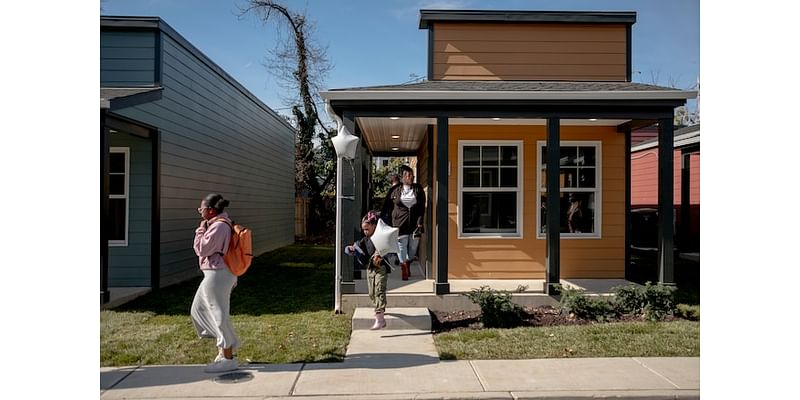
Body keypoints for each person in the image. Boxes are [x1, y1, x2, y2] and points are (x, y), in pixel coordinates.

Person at [191, 193, 240, 373]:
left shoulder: (218, 226)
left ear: (210, 211)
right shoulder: (216, 224)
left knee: (218, 315)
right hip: (214, 274)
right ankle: (226, 347)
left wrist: (200, 230)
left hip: (218, 274)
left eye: (201, 209)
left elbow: (202, 249)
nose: (200, 212)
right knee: (199, 310)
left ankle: (228, 358)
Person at [345, 210, 393, 330]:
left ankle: (380, 317)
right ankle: (379, 309)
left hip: (381, 268)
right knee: (372, 293)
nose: (365, 231)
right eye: (363, 229)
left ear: (374, 226)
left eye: (367, 229)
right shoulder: (365, 240)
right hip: (370, 269)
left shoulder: (381, 237)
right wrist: (351, 248)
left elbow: (386, 248)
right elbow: (357, 246)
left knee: (379, 289)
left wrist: (380, 254)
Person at [382, 165, 426, 280]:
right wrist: (384, 218)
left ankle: (407, 262)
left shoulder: (418, 189)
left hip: (414, 224)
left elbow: (422, 207)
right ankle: (404, 269)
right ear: (403, 177)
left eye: (412, 175)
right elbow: (387, 205)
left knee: (412, 249)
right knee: (401, 246)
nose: (411, 177)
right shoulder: (395, 190)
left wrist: (420, 221)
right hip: (399, 223)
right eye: (408, 175)